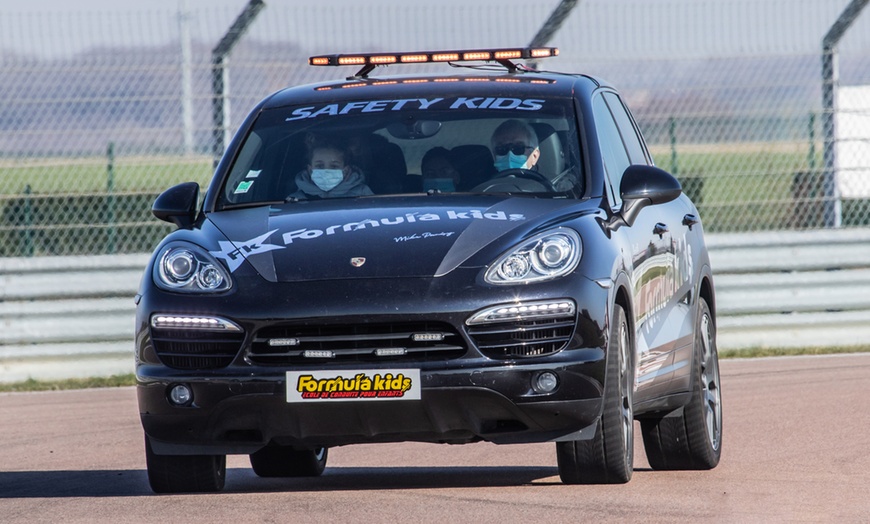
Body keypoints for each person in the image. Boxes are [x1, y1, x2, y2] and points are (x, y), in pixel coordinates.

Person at [289, 137, 373, 199]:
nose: (326, 171)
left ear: (345, 170)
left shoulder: (363, 194)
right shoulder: (295, 200)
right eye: (320, 166)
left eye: (334, 166)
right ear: (310, 170)